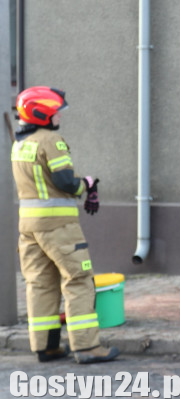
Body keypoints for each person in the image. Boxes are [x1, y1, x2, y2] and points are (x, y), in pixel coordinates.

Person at [12, 86, 119, 364]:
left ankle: (45, 346)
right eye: (55, 111)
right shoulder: (51, 140)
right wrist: (88, 184)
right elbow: (66, 183)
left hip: (28, 228)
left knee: (40, 284)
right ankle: (86, 347)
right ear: (42, 114)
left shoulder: (20, 143)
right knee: (79, 280)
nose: (59, 115)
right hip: (58, 227)